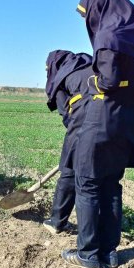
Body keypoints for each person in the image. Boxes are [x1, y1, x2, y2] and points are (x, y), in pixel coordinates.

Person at [61, 0, 134, 268]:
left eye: (87, 14)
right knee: (111, 185)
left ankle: (88, 254)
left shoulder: (108, 36)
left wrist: (92, 84)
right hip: (127, 122)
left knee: (87, 183)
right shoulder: (133, 38)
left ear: (98, 9)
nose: (88, 20)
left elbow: (108, 80)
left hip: (102, 121)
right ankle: (109, 251)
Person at [42, 50, 93, 235]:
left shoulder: (61, 78)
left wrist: (78, 139)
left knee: (69, 170)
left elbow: (67, 115)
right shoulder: (91, 67)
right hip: (111, 122)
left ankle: (57, 221)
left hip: (82, 121)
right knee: (100, 177)